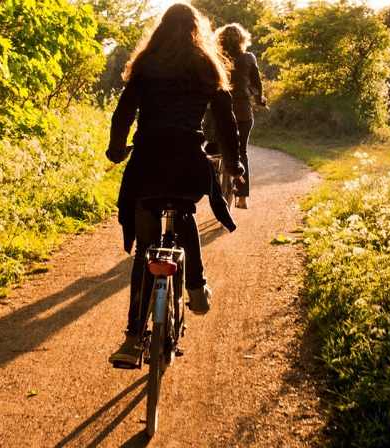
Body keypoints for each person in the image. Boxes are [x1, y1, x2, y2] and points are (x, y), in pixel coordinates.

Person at [104, 3, 243, 367]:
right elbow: (226, 123)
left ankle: (133, 338)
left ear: (160, 29)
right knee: (184, 210)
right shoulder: (207, 66)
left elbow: (123, 114)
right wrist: (233, 164)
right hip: (187, 163)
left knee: (144, 251)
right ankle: (195, 288)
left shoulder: (146, 64)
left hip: (147, 162)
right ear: (199, 31)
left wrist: (117, 150)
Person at [215, 23, 266, 209]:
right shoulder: (248, 58)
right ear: (242, 40)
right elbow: (257, 84)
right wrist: (259, 98)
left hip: (218, 113)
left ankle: (213, 177)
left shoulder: (216, 58)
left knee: (214, 148)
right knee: (241, 151)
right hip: (242, 112)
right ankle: (243, 197)